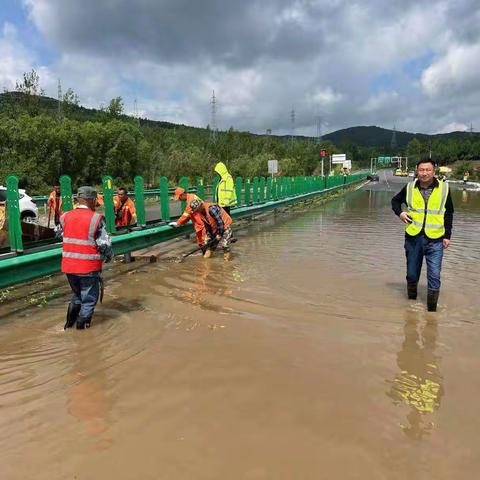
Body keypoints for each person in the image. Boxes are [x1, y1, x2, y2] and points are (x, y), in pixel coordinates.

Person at [391, 158, 454, 312]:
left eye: (428, 170)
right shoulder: (410, 187)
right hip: (414, 238)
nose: (424, 173)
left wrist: (447, 235)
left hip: (436, 239)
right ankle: (411, 305)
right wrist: (400, 213)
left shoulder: (444, 189)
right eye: (421, 170)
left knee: (434, 276)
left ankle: (432, 312)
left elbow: (449, 212)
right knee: (412, 274)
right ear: (417, 171)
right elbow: (395, 201)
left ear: (434, 171)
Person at [58, 186, 113, 329]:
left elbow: (60, 235)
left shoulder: (65, 216)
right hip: (88, 266)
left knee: (77, 296)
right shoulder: (96, 218)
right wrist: (108, 256)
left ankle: (68, 326)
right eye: (95, 200)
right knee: (88, 300)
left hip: (69, 266)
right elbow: (104, 244)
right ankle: (82, 332)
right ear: (91, 200)